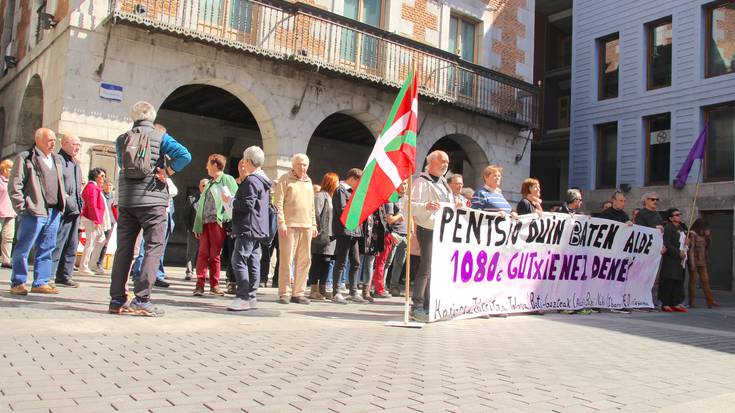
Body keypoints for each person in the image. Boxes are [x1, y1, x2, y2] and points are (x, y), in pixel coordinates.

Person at [108, 101, 191, 316]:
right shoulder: (160, 137)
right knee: (154, 247)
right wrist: (167, 171)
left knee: (124, 249)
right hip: (153, 200)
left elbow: (122, 164)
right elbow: (185, 155)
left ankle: (116, 299)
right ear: (152, 118)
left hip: (127, 200)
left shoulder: (122, 139)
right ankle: (142, 299)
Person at [9, 128, 66, 295]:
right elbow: (15, 185)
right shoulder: (26, 157)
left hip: (53, 211)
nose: (53, 143)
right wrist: (22, 208)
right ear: (38, 140)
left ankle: (41, 282)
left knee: (47, 248)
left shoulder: (56, 159)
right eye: (49, 140)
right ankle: (18, 282)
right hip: (33, 211)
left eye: (54, 140)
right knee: (24, 248)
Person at [411, 150, 462, 321]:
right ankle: (417, 306)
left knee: (435, 269)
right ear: (431, 162)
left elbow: (447, 205)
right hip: (427, 228)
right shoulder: (421, 182)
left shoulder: (443, 183)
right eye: (442, 161)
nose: (446, 165)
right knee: (426, 268)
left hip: (442, 230)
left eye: (447, 162)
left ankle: (429, 304)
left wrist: (456, 204)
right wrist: (426, 206)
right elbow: (409, 205)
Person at [226, 146, 272, 311]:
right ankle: (251, 297)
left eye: (244, 160)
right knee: (253, 262)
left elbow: (246, 205)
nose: (243, 163)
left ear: (248, 161)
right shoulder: (263, 180)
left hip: (248, 227)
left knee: (238, 260)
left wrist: (230, 200)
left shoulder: (252, 180)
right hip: (258, 228)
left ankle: (243, 297)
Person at [274, 153, 318, 305]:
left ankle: (298, 293)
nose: (302, 167)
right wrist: (281, 223)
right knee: (287, 260)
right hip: (289, 225)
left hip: (306, 226)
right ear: (293, 165)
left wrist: (314, 224)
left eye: (305, 164)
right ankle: (284, 292)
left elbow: (312, 206)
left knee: (305, 261)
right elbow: (278, 203)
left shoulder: (309, 181)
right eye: (299, 164)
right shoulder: (284, 179)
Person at [192, 154, 238, 297]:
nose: (206, 166)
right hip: (205, 223)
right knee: (202, 254)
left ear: (215, 165)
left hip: (217, 223)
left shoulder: (227, 179)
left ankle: (214, 285)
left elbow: (235, 199)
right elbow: (201, 206)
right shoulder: (209, 183)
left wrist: (225, 217)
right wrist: (197, 225)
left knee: (214, 255)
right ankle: (199, 285)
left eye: (208, 163)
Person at [50, 134, 83, 287]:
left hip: (75, 209)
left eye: (79, 145)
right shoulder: (57, 160)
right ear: (64, 144)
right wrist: (65, 198)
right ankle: (49, 275)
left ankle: (64, 275)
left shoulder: (75, 164)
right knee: (57, 243)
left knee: (72, 244)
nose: (78, 148)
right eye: (74, 144)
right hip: (63, 209)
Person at [331, 168, 365, 304]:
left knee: (356, 262)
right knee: (341, 261)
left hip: (354, 230)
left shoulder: (354, 192)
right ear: (352, 178)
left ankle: (353, 292)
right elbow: (342, 209)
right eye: (359, 181)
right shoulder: (341, 190)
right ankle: (336, 292)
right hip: (344, 230)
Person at [373, 180, 408, 299]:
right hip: (391, 233)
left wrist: (410, 231)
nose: (404, 186)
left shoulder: (405, 199)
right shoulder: (390, 198)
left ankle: (388, 287)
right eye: (401, 183)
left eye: (405, 184)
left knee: (396, 263)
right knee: (385, 262)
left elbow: (409, 216)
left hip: (400, 233)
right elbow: (389, 219)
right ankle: (379, 287)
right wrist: (399, 217)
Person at [309, 172, 338, 301]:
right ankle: (314, 289)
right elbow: (316, 213)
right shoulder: (320, 196)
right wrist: (319, 229)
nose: (338, 185)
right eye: (336, 182)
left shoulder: (332, 197)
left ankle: (322, 288)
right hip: (322, 235)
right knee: (318, 261)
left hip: (331, 236)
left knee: (327, 262)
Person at [78, 167, 111, 275]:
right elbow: (92, 204)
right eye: (102, 176)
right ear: (96, 177)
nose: (104, 178)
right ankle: (84, 266)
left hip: (95, 218)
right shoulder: (91, 187)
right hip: (91, 218)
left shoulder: (95, 187)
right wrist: (96, 220)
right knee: (91, 242)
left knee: (101, 239)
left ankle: (92, 264)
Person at [226, 159, 250, 294]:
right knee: (232, 253)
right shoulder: (233, 183)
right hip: (232, 221)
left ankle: (246, 284)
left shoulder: (251, 183)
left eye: (244, 165)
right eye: (240, 165)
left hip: (247, 224)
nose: (242, 167)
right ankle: (232, 282)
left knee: (246, 255)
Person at [660, 208, 688, 313]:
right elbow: (667, 243)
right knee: (669, 280)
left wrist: (687, 242)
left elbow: (684, 240)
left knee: (678, 280)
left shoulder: (682, 227)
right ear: (671, 218)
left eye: (679, 214)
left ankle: (675, 302)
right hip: (671, 258)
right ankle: (666, 303)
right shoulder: (668, 227)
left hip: (679, 259)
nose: (679, 216)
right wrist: (678, 252)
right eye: (676, 215)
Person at [688, 219, 719, 309]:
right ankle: (692, 301)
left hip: (702, 261)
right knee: (693, 282)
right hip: (694, 261)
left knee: (705, 281)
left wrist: (708, 237)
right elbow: (691, 250)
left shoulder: (704, 236)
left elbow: (707, 247)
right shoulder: (693, 234)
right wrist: (692, 263)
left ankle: (710, 300)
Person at [185, 179, 208, 281]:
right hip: (193, 230)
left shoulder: (212, 200)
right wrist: (191, 230)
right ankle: (189, 272)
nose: (205, 187)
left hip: (206, 231)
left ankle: (204, 272)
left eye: (207, 186)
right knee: (191, 252)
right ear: (199, 187)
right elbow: (186, 216)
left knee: (205, 253)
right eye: (203, 185)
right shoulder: (192, 199)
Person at [95, 180, 118, 270]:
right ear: (103, 186)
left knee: (105, 242)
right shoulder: (100, 194)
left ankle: (99, 263)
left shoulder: (114, 196)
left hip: (111, 221)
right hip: (101, 221)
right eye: (107, 185)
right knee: (97, 241)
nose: (108, 187)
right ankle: (92, 261)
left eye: (110, 185)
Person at [0, 159, 15, 268]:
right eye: (10, 168)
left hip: (10, 213)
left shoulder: (13, 182)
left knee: (8, 237)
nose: (12, 171)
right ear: (4, 169)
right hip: (0, 212)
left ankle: (6, 260)